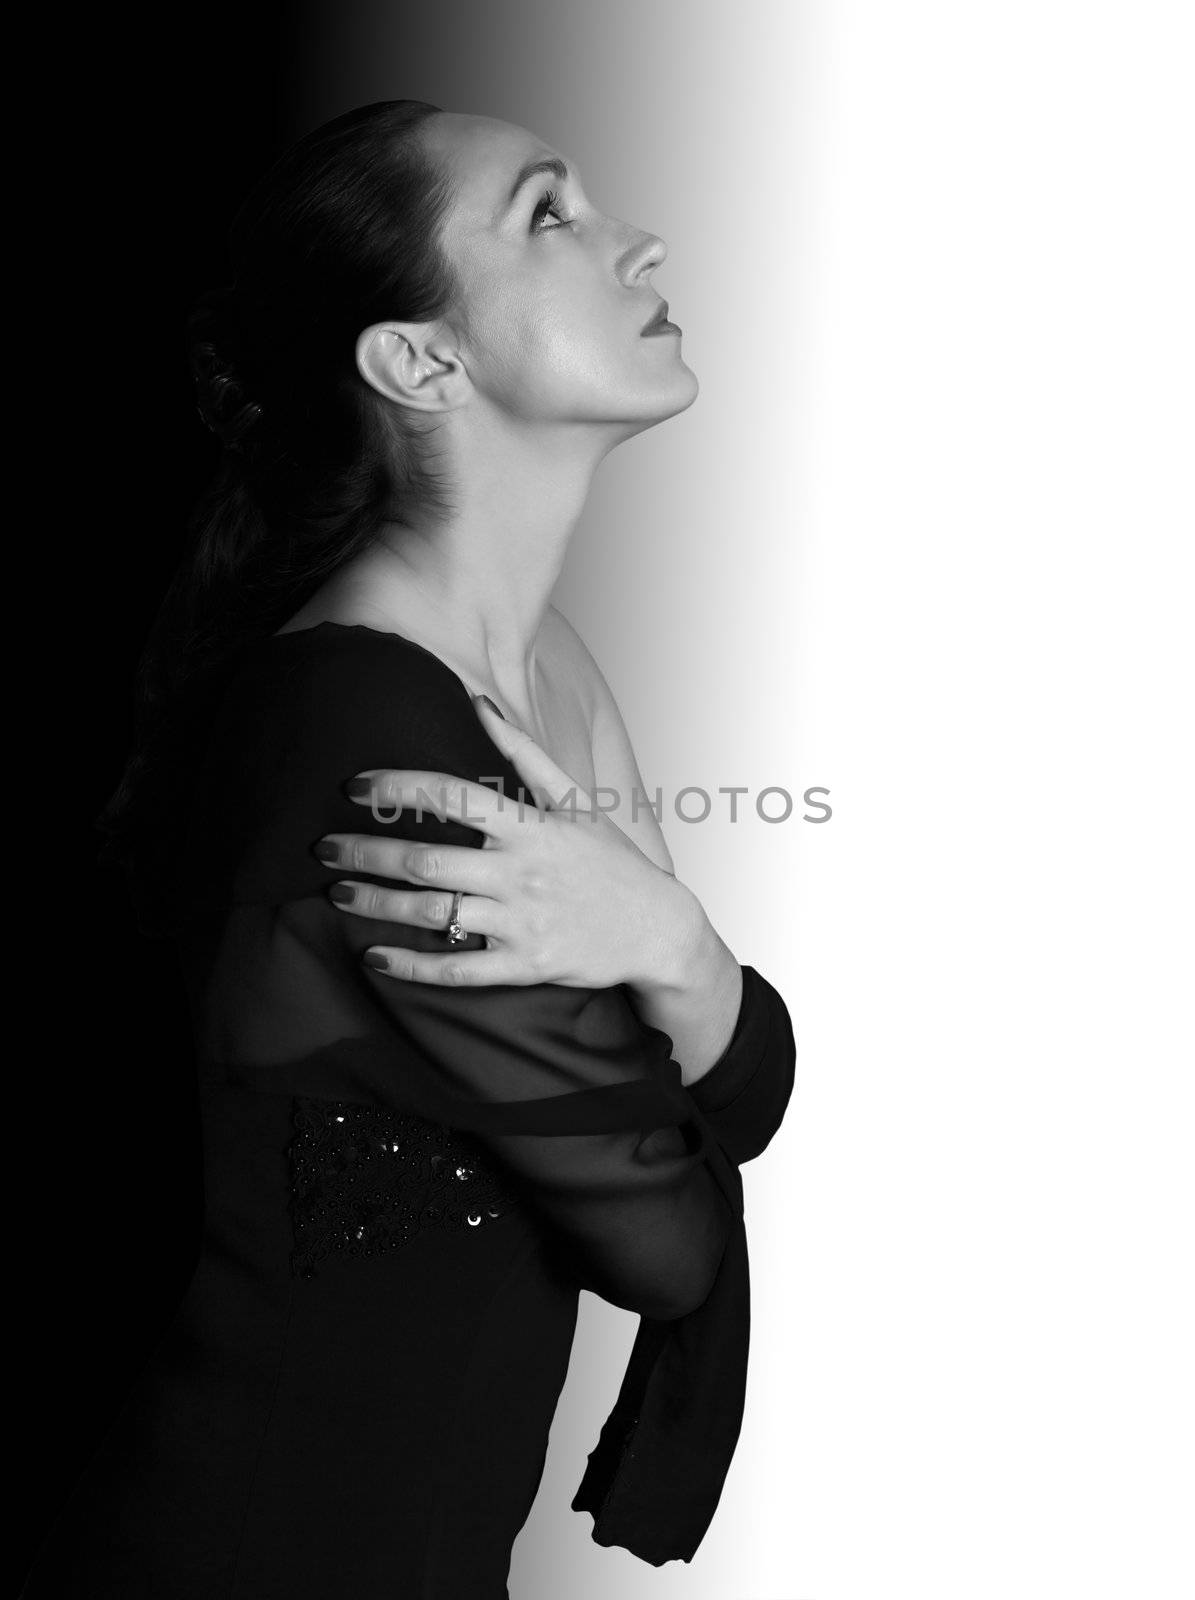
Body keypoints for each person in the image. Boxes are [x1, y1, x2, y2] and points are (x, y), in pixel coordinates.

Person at [22, 100, 796, 1599]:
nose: (637, 239)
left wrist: (677, 954)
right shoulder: (368, 730)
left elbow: (733, 1101)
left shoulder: (544, 669)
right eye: (548, 214)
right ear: (421, 360)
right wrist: (690, 984)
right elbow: (671, 1236)